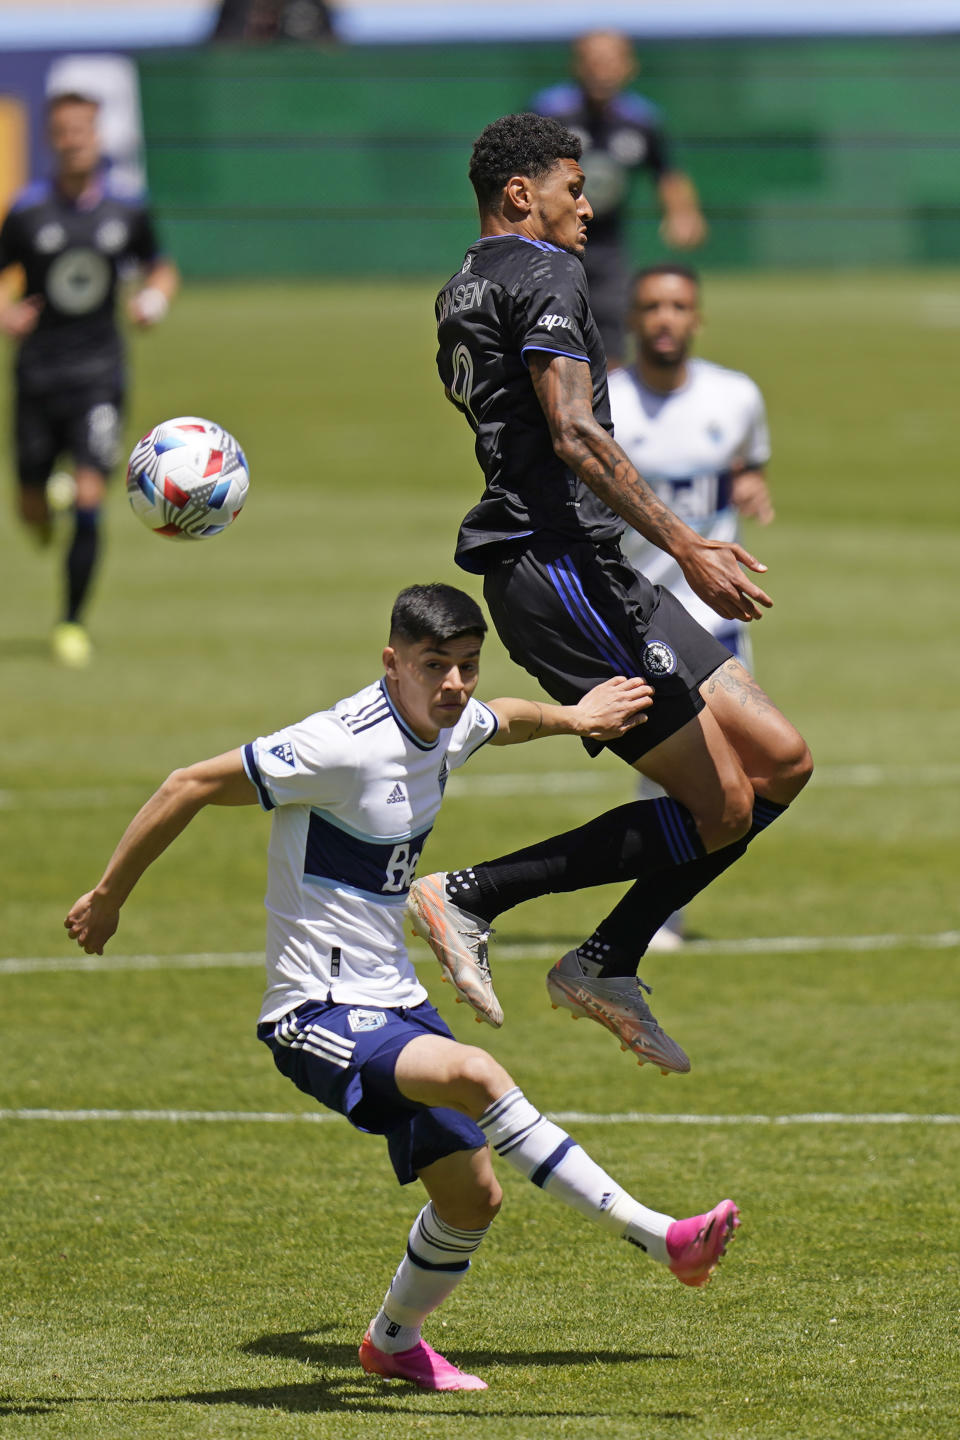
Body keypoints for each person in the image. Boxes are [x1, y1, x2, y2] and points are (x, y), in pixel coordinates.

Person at [64, 583, 739, 1393]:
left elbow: (504, 719)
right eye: (433, 667)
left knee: (472, 1198)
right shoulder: (337, 747)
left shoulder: (446, 720)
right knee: (477, 1075)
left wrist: (579, 717)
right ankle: (664, 1238)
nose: (455, 685)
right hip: (314, 1011)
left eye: (465, 666)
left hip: (394, 1000)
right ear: (392, 663)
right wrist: (109, 898)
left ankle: (393, 1342)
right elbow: (188, 784)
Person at [424, 112, 812, 1075]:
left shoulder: (461, 287)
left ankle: (605, 959)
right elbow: (574, 433)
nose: (589, 208)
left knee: (783, 761)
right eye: (573, 187)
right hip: (559, 566)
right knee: (722, 805)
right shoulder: (545, 271)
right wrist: (687, 544)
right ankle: (476, 896)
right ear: (523, 194)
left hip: (589, 567)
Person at [610, 262, 774, 948]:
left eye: (678, 306)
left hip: (719, 619)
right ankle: (657, 917)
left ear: (697, 317)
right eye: (652, 306)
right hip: (641, 615)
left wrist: (749, 488)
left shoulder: (735, 397)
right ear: (633, 319)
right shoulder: (604, 402)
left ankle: (661, 904)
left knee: (750, 770)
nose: (665, 319)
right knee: (681, 770)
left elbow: (748, 460)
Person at [0, 91, 179, 667]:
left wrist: (153, 298)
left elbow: (161, 265)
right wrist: (5, 313)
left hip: (98, 373)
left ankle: (71, 621)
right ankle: (41, 502)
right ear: (51, 139)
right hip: (37, 372)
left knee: (88, 495)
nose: (73, 140)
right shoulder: (27, 211)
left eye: (82, 130)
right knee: (31, 511)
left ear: (97, 137)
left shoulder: (126, 211)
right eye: (63, 132)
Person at [532, 31, 706, 368]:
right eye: (593, 61)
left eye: (610, 62)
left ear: (629, 68)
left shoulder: (640, 119)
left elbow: (666, 172)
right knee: (547, 336)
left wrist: (682, 213)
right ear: (577, 66)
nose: (602, 70)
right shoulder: (550, 113)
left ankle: (606, 413)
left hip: (608, 248)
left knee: (610, 339)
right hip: (551, 244)